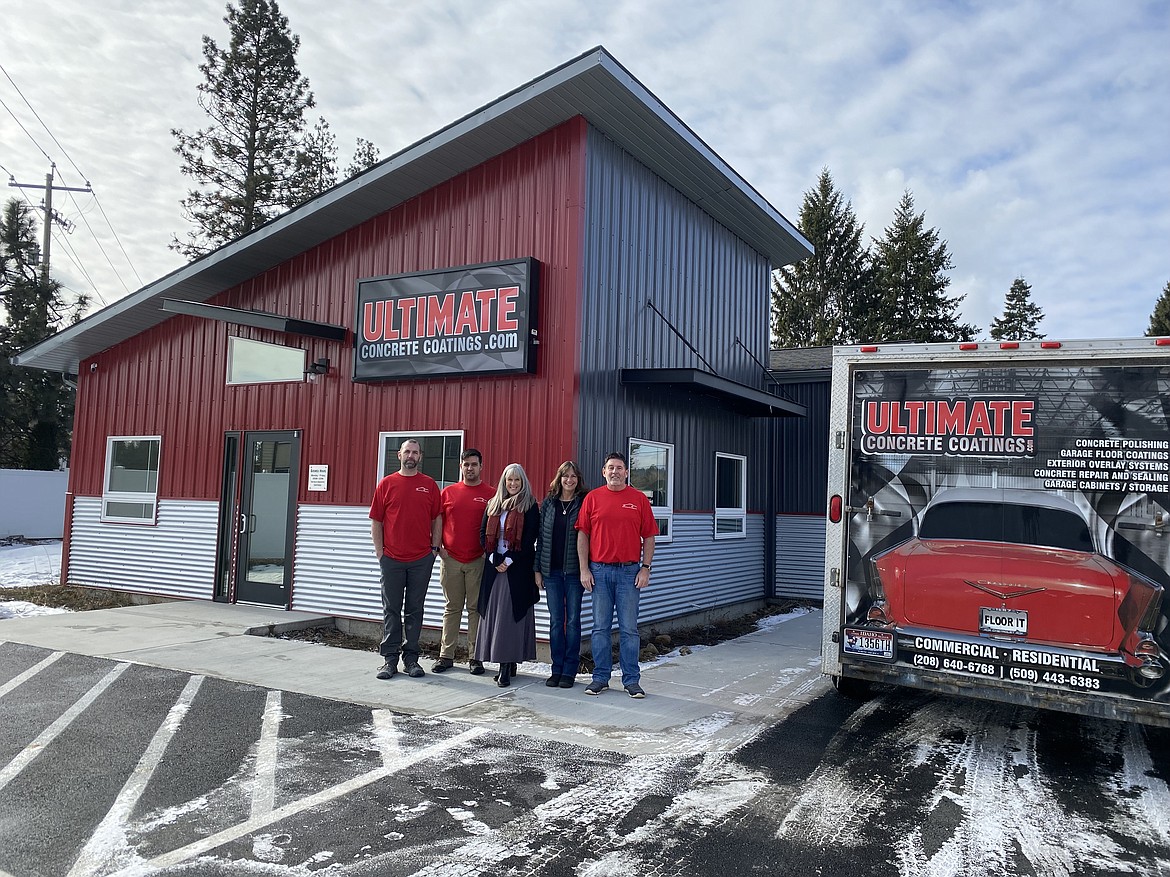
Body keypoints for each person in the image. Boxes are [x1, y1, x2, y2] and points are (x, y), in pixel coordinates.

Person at [576, 452, 657, 698]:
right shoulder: (593, 498)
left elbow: (650, 536)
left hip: (629, 572)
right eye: (610, 467)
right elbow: (583, 535)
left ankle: (631, 680)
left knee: (629, 629)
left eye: (619, 468)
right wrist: (584, 568)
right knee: (600, 628)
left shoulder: (638, 499)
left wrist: (646, 567)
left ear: (626, 472)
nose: (615, 472)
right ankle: (600, 678)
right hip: (599, 571)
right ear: (604, 472)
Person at [369, 438, 441, 680]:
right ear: (399, 454)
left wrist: (434, 548)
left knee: (414, 610)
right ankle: (389, 660)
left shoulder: (429, 485)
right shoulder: (387, 484)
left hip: (421, 558)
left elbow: (437, 518)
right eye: (407, 451)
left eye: (415, 452)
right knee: (391, 609)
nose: (411, 455)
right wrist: (381, 553)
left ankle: (412, 659)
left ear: (420, 457)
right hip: (392, 559)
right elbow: (376, 521)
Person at [474, 463, 540, 687]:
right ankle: (506, 663)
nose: (513, 484)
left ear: (523, 483)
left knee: (510, 617)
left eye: (517, 480)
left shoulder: (529, 505)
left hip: (517, 569)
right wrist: (494, 558)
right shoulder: (493, 504)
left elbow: (530, 536)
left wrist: (509, 559)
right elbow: (483, 533)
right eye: (509, 480)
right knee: (495, 615)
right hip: (494, 569)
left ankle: (506, 667)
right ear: (504, 481)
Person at [433, 448, 495, 675]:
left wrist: (486, 552)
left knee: (475, 609)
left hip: (478, 560)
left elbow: (494, 525)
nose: (470, 468)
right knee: (452, 607)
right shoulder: (448, 493)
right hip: (451, 559)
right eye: (466, 464)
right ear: (461, 467)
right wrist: (438, 547)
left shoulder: (490, 494)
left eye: (474, 464)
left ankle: (475, 657)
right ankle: (445, 656)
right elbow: (438, 520)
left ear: (481, 467)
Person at [534, 460, 587, 689]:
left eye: (573, 476)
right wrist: (537, 570)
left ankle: (569, 671)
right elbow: (541, 539)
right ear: (559, 478)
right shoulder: (548, 504)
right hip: (552, 572)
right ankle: (556, 670)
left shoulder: (584, 503)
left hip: (575, 573)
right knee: (556, 622)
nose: (569, 480)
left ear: (578, 480)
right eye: (565, 476)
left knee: (573, 621)